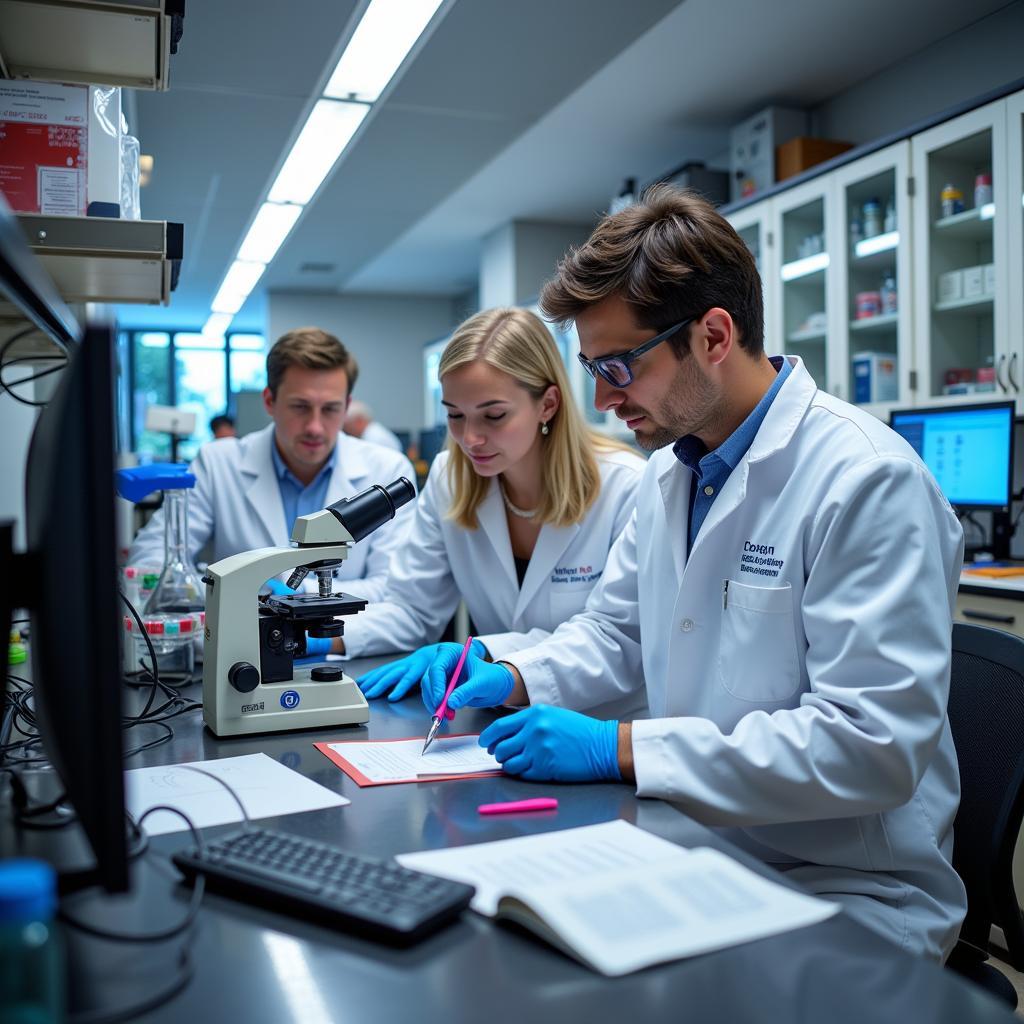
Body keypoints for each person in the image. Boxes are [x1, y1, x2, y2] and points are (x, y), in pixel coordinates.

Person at [418, 186, 967, 962]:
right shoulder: (670, 475)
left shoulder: (866, 480)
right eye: (590, 370)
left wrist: (622, 749)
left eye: (618, 366)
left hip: (843, 886)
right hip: (690, 847)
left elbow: (869, 746)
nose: (604, 401)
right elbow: (616, 635)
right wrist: (508, 670)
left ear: (713, 335)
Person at [354, 307, 646, 719]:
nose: (470, 438)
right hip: (497, 722)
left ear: (547, 404)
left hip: (600, 726)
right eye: (455, 415)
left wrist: (487, 652)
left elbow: (616, 638)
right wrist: (313, 637)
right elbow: (413, 608)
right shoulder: (451, 478)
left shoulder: (626, 486)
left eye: (494, 416)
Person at [130, 327, 416, 603]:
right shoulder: (218, 464)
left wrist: (294, 594)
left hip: (347, 649)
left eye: (330, 409)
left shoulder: (387, 470)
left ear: (347, 404)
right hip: (241, 649)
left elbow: (394, 589)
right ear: (269, 400)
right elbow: (151, 563)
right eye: (300, 407)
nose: (315, 427)